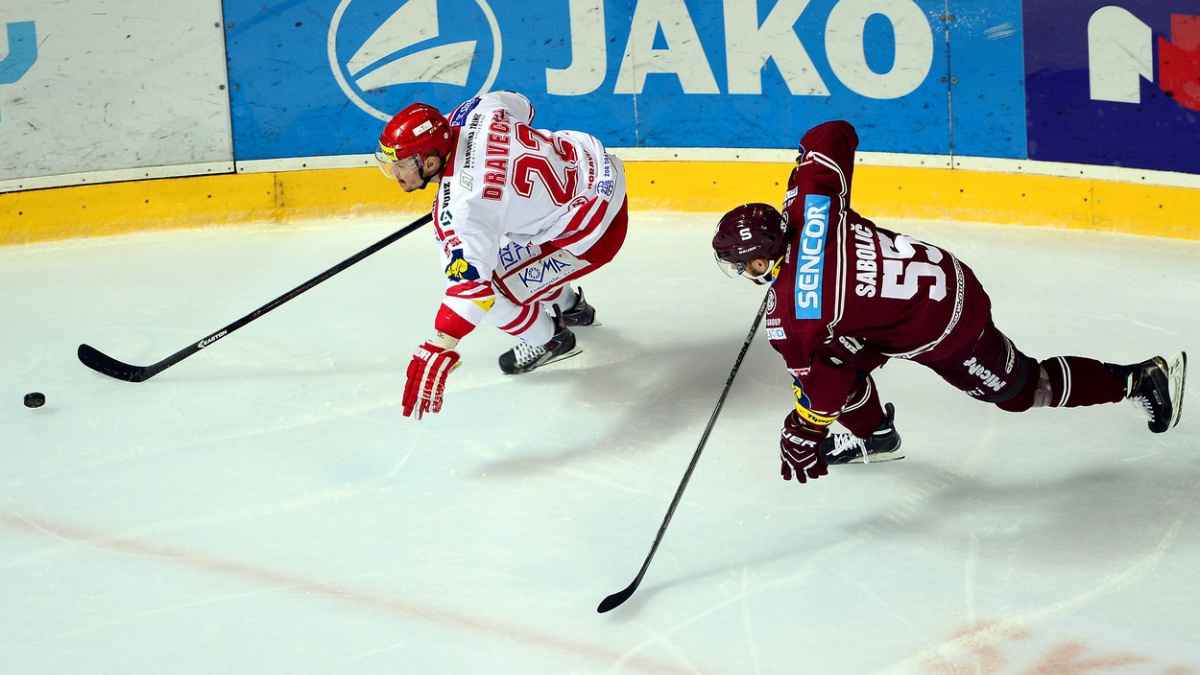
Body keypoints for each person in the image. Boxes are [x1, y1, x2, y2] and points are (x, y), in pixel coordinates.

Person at [712, 120, 1188, 484]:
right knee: (838, 352)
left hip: (949, 329)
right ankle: (877, 436)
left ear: (759, 264)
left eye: (742, 265)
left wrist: (804, 428)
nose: (741, 273)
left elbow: (826, 390)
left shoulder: (796, 320)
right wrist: (801, 174)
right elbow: (832, 133)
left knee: (1020, 389)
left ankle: (1138, 379)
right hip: (944, 276)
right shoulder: (810, 205)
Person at [376, 91, 628, 419]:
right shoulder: (475, 110)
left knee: (493, 287)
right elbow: (525, 106)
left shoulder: (460, 209)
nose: (394, 173)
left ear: (431, 162)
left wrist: (440, 345)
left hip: (593, 234)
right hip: (598, 171)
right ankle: (571, 307)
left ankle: (551, 340)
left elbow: (471, 292)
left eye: (399, 165)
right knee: (515, 250)